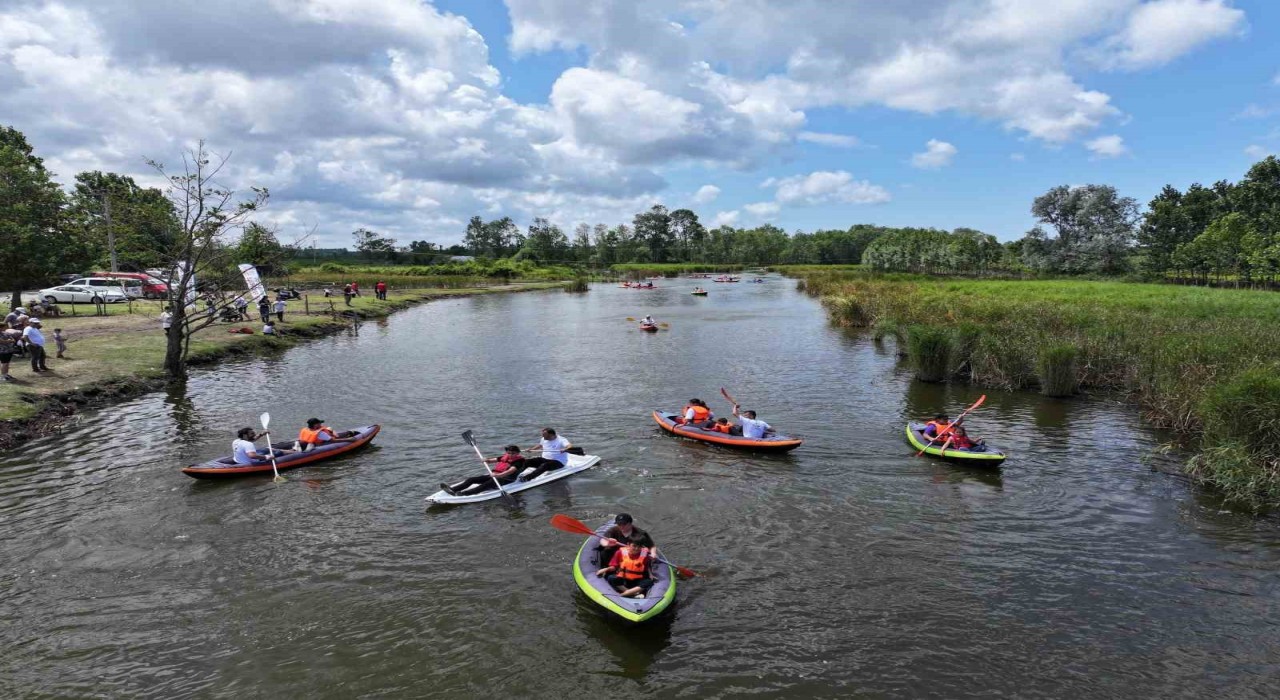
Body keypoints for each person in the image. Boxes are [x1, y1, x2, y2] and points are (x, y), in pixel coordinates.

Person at [440, 445, 525, 495]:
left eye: (513, 453)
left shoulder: (519, 461)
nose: (510, 455)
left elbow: (511, 471)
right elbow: (494, 459)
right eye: (509, 453)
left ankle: (463, 494)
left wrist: (498, 475)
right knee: (472, 479)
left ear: (518, 453)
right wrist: (487, 460)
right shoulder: (505, 457)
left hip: (506, 479)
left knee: (485, 485)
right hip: (494, 475)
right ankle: (453, 490)